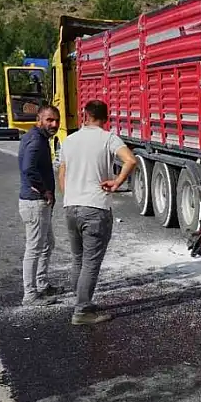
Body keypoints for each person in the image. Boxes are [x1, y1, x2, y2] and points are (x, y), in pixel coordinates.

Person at [57, 99, 137, 325]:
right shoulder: (108, 138)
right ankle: (82, 311)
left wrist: (69, 196)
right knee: (91, 262)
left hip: (71, 206)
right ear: (105, 119)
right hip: (95, 207)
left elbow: (62, 173)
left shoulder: (69, 141)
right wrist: (117, 182)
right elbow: (130, 160)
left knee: (78, 259)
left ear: (84, 116)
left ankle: (81, 301)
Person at [17, 104, 63, 305]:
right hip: (35, 203)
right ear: (39, 120)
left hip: (38, 203)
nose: (53, 124)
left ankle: (42, 284)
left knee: (47, 244)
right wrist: (44, 190)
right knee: (35, 248)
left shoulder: (37, 137)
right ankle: (30, 294)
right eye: (49, 120)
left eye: (56, 120)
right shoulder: (36, 140)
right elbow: (28, 169)